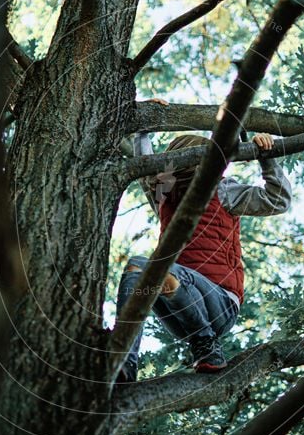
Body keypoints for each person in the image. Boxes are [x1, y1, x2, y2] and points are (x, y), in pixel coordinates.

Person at [115, 120, 292, 382]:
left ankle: (207, 344)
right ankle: (122, 363)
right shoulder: (165, 199)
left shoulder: (222, 191)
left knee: (162, 272)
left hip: (219, 303)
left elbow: (278, 200)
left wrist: (267, 156)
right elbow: (146, 166)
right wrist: (144, 125)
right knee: (136, 269)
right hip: (183, 315)